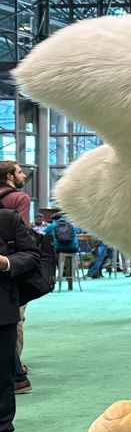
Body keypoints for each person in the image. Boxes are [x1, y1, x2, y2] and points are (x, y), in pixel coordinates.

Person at [0, 208, 40, 432]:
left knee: (2, 378)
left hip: (2, 311)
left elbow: (32, 255)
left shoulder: (7, 219)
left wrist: (5, 263)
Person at [0, 162, 32, 392]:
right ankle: (16, 371)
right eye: (19, 171)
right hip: (11, 271)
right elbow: (23, 233)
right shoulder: (19, 198)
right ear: (9, 176)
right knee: (15, 319)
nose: (23, 175)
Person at [46, 211, 79, 291]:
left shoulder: (53, 225)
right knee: (68, 257)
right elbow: (77, 232)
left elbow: (44, 232)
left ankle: (59, 274)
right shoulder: (71, 224)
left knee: (52, 256)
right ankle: (70, 282)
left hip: (60, 249)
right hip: (73, 249)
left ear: (54, 219)